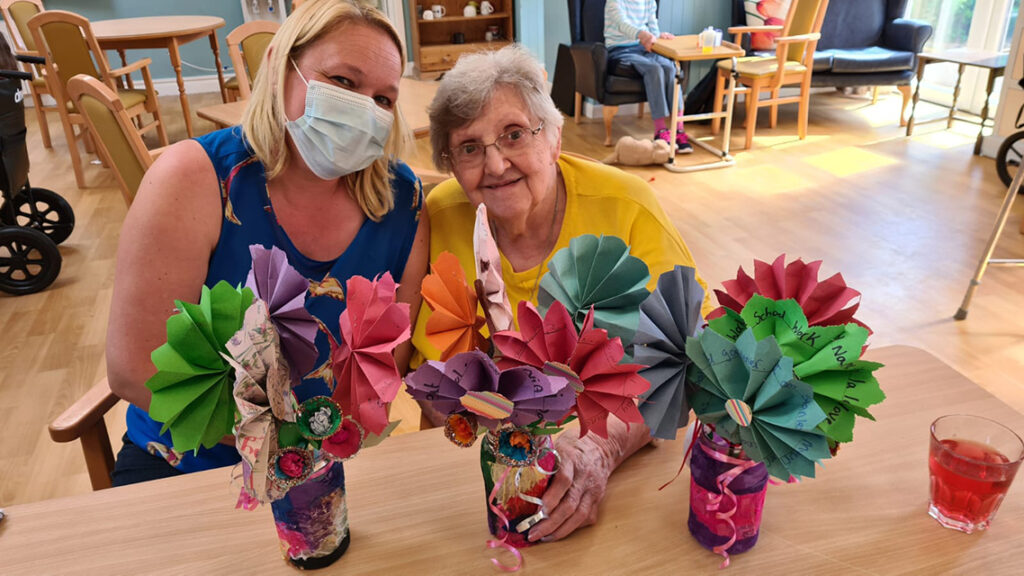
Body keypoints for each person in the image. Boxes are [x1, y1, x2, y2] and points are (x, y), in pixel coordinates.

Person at [106, 0, 429, 485]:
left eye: (384, 99)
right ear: (280, 66)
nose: (365, 108)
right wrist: (282, 449)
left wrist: (313, 455)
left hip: (328, 463)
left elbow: (382, 370)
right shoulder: (195, 179)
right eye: (343, 82)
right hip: (189, 462)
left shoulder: (401, 202)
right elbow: (135, 367)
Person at [410, 45, 711, 542]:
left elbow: (686, 355)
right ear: (450, 163)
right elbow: (423, 372)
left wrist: (596, 451)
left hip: (614, 466)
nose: (496, 163)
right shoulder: (437, 217)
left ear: (553, 138)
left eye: (514, 134)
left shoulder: (626, 208)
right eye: (468, 147)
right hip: (469, 477)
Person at [605, 0, 691, 153]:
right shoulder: (614, 1)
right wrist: (642, 35)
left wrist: (657, 36)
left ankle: (678, 129)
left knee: (670, 68)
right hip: (620, 50)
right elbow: (622, 24)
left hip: (644, 47)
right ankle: (660, 131)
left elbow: (652, 23)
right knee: (654, 69)